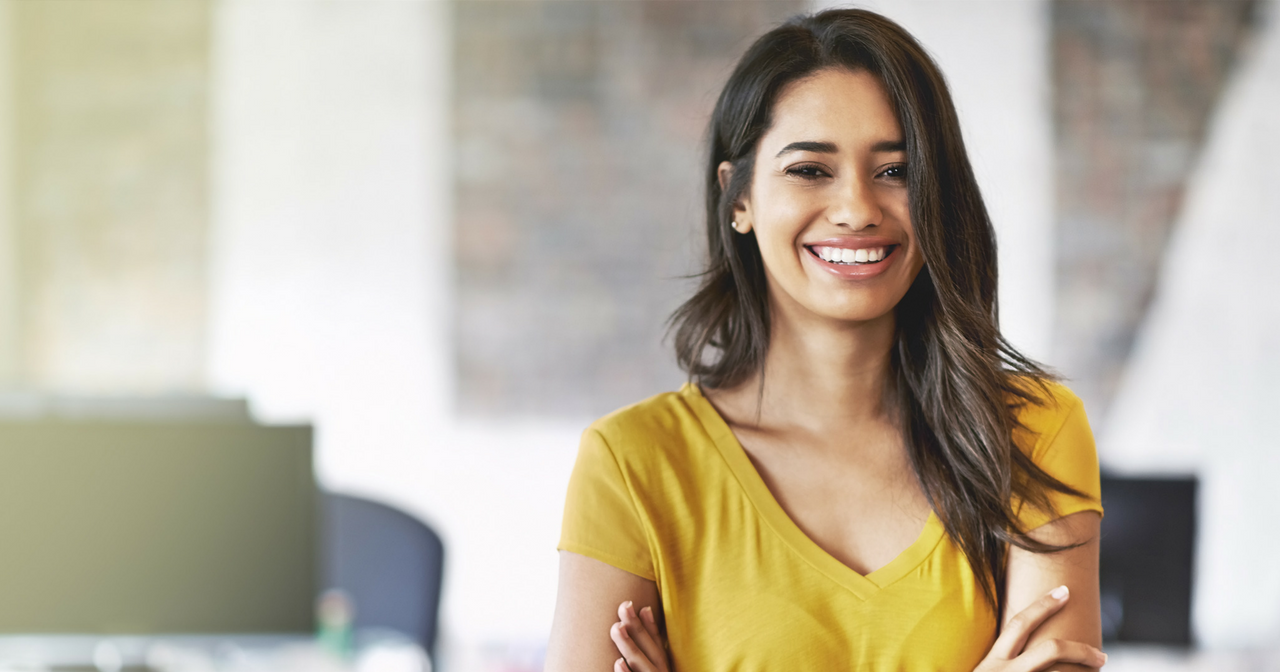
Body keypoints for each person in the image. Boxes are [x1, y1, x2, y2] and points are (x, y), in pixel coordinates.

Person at [544, 8, 1106, 672]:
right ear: (740, 198)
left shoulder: (1034, 433)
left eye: (896, 171)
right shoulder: (633, 465)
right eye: (810, 170)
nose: (858, 209)